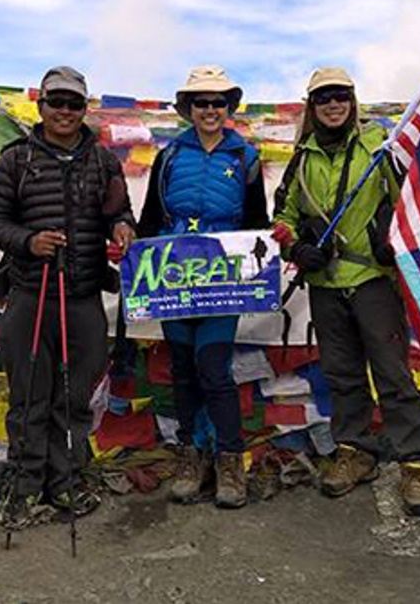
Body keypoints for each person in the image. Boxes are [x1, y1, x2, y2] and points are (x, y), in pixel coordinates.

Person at [272, 67, 420, 517]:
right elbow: (282, 214)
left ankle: (415, 460)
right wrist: (297, 246)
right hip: (325, 285)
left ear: (353, 99)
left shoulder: (379, 148)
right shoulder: (301, 158)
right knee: (341, 373)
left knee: (392, 372)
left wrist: (392, 242)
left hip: (372, 282)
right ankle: (355, 450)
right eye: (323, 97)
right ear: (312, 105)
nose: (332, 104)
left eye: (340, 95)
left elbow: (410, 202)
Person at [0, 65, 136, 526]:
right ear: (41, 106)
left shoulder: (105, 161)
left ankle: (66, 483)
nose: (65, 111)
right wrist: (29, 242)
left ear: (83, 109)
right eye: (57, 102)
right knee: (29, 396)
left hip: (85, 296)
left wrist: (123, 228)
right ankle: (26, 487)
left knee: (74, 398)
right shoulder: (15, 159)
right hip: (31, 294)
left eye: (74, 104)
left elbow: (119, 211)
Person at [137, 65, 268, 509]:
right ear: (188, 109)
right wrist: (133, 255)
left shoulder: (245, 158)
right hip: (174, 279)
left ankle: (230, 459)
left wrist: (264, 261)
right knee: (183, 368)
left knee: (214, 367)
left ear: (229, 107)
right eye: (201, 102)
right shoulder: (170, 156)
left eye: (218, 102)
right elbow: (151, 218)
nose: (210, 110)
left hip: (222, 282)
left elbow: (257, 223)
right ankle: (191, 457)